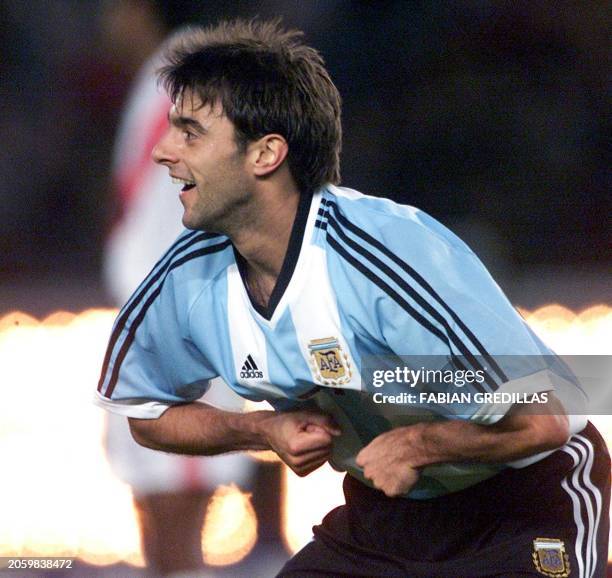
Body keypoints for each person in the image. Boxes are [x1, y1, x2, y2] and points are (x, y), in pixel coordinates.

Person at [95, 19, 610, 577]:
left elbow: (545, 419)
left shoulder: (382, 259)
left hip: (523, 504)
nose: (164, 153)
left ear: (266, 154)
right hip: (384, 518)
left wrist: (419, 444)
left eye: (190, 133)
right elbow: (145, 412)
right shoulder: (185, 274)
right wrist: (259, 430)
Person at [101, 8, 254, 576]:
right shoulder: (177, 71)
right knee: (157, 501)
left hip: (179, 313)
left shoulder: (184, 70)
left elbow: (162, 200)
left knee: (175, 501)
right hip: (167, 306)